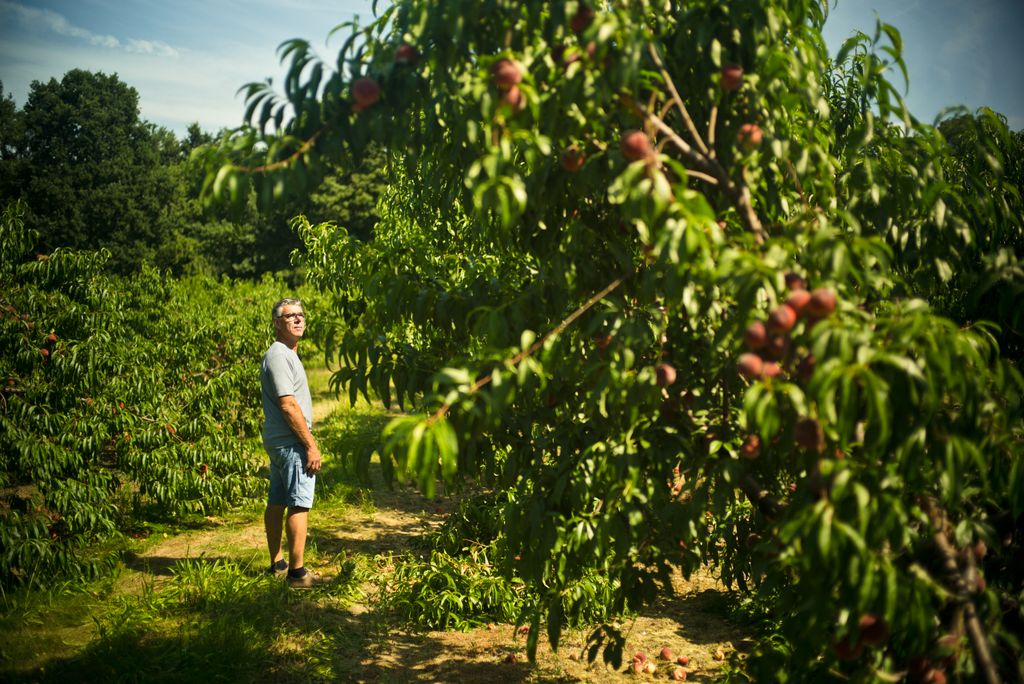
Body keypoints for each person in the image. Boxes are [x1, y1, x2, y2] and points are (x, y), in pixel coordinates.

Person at [261, 298, 322, 588]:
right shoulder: (279, 354)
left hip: (280, 441)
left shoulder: (286, 353)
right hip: (290, 442)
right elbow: (288, 405)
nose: (298, 320)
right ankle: (297, 574)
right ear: (276, 323)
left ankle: (278, 562)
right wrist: (310, 444)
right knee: (300, 502)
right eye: (290, 316)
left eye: (300, 315)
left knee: (278, 499)